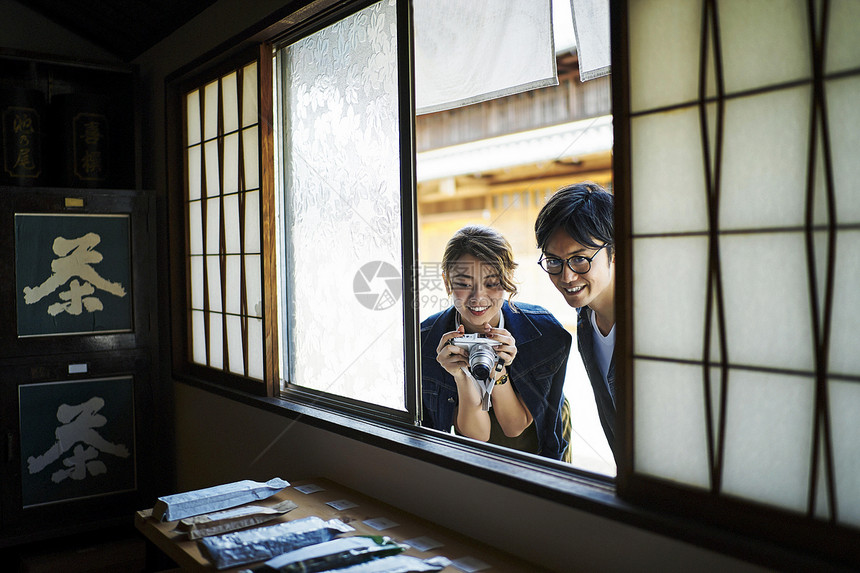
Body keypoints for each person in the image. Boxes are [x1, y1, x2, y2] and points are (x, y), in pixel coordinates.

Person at [421, 225, 572, 461]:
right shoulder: (427, 341)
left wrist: (498, 369)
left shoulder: (544, 334)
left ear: (508, 277)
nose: (478, 297)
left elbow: (514, 427)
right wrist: (461, 375)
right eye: (463, 283)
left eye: (492, 283)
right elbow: (476, 435)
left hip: (538, 448)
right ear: (447, 282)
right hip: (474, 455)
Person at [534, 182, 617, 461]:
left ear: (614, 252)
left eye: (580, 259)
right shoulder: (585, 319)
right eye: (554, 261)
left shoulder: (657, 320)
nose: (567, 277)